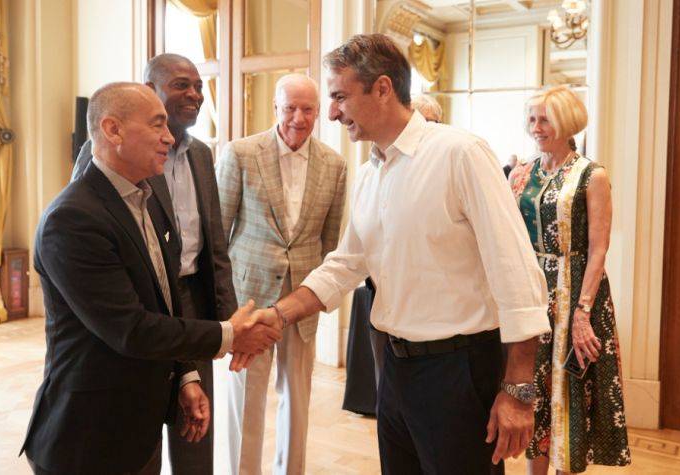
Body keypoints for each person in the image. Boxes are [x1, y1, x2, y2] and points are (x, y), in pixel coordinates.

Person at [239, 34, 551, 474]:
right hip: (393, 370)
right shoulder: (371, 174)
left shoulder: (460, 153)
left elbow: (515, 269)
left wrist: (519, 390)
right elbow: (345, 264)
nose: (332, 113)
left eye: (340, 97)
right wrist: (278, 315)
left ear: (383, 88)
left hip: (457, 371)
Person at [20, 82, 282, 475]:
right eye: (157, 125)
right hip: (88, 437)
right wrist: (230, 334)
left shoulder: (147, 201)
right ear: (113, 130)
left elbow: (164, 302)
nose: (170, 137)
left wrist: (186, 375)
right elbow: (131, 329)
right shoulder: (73, 219)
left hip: (138, 427)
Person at [72, 54, 234, 474]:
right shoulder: (102, 157)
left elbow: (215, 240)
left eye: (199, 86)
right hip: (139, 299)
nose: (195, 95)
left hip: (192, 297)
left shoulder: (202, 154)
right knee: (144, 404)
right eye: (182, 85)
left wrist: (227, 315)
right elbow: (90, 224)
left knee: (195, 415)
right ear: (150, 89)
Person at [216, 73, 347, 475]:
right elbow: (218, 235)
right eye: (290, 108)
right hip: (249, 299)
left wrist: (318, 297)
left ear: (319, 111)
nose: (298, 118)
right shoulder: (240, 154)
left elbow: (330, 243)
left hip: (302, 300)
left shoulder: (335, 165)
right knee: (246, 398)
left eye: (308, 109)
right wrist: (223, 305)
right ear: (275, 107)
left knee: (297, 397)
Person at [508, 86, 630, 474]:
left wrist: (582, 313)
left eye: (544, 120)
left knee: (569, 389)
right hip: (532, 289)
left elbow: (598, 249)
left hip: (575, 289)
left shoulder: (592, 175)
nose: (536, 127)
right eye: (531, 119)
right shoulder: (521, 173)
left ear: (566, 122)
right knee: (534, 389)